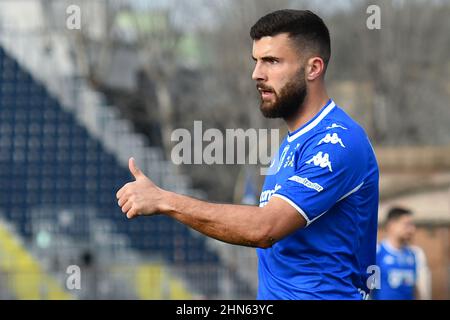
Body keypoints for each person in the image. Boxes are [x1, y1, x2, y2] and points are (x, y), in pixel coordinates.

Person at [116, 9, 379, 300]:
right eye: (256, 61)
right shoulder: (292, 144)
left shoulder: (338, 141)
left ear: (313, 68)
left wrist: (164, 199)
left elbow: (264, 228)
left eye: (272, 61)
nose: (257, 74)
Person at [372, 207, 431, 300]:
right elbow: (367, 289)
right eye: (407, 225)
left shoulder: (415, 254)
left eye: (412, 225)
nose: (412, 229)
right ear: (391, 225)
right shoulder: (376, 252)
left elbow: (421, 290)